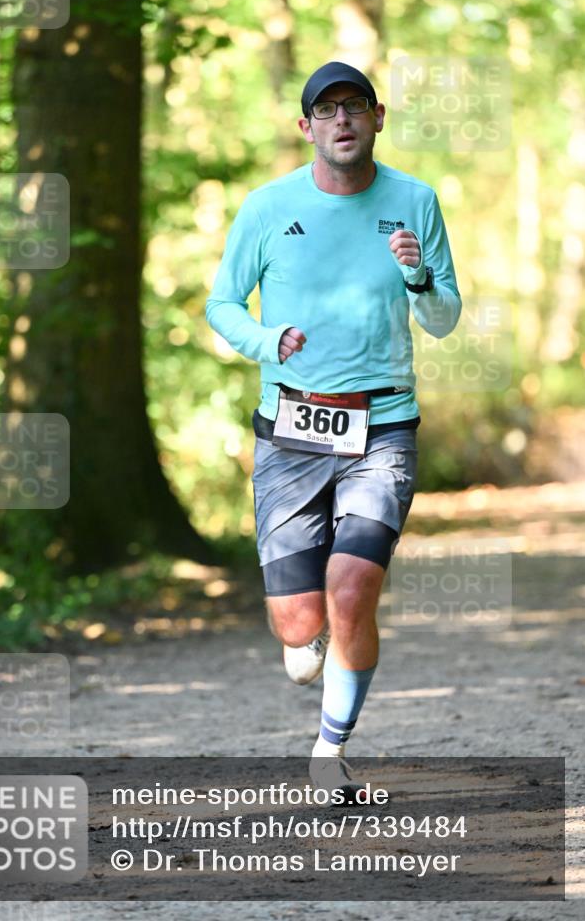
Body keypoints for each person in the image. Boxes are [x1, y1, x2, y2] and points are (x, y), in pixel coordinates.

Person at [205, 61, 461, 800]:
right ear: (306, 127)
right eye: (327, 110)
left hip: (382, 426)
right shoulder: (267, 206)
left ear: (378, 118)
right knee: (295, 629)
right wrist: (265, 341)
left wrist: (418, 277)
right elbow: (222, 304)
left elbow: (443, 319)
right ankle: (308, 630)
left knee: (353, 590)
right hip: (290, 427)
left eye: (354, 106)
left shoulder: (415, 201)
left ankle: (329, 750)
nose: (341, 120)